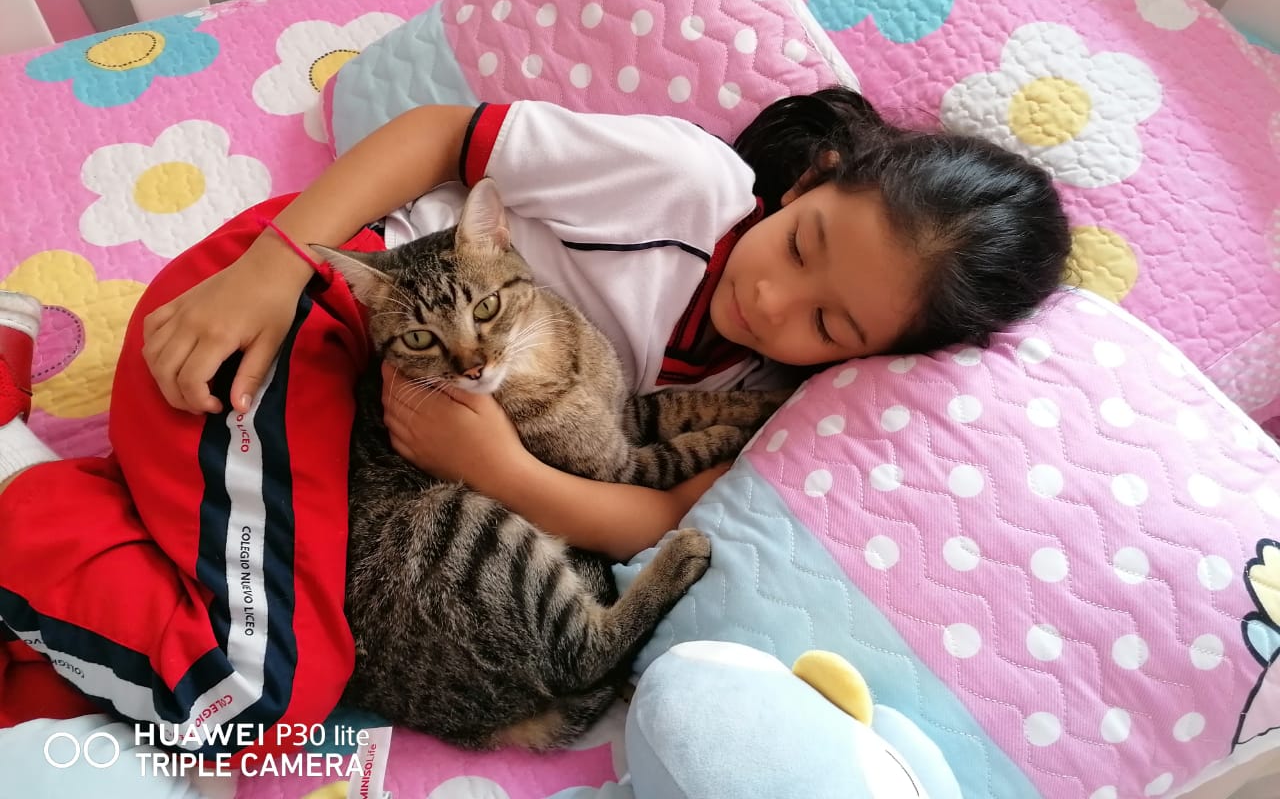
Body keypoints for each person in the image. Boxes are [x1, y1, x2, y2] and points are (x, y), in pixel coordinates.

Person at [0, 88, 1070, 751]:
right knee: (253, 697)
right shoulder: (686, 183)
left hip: (352, 455)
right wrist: (275, 268)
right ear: (809, 184)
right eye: (801, 246)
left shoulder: (757, 386)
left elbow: (658, 516)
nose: (773, 301)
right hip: (307, 320)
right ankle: (11, 489)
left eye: (829, 324)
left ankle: (79, 506)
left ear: (871, 359)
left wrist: (499, 471)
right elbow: (439, 134)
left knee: (288, 650)